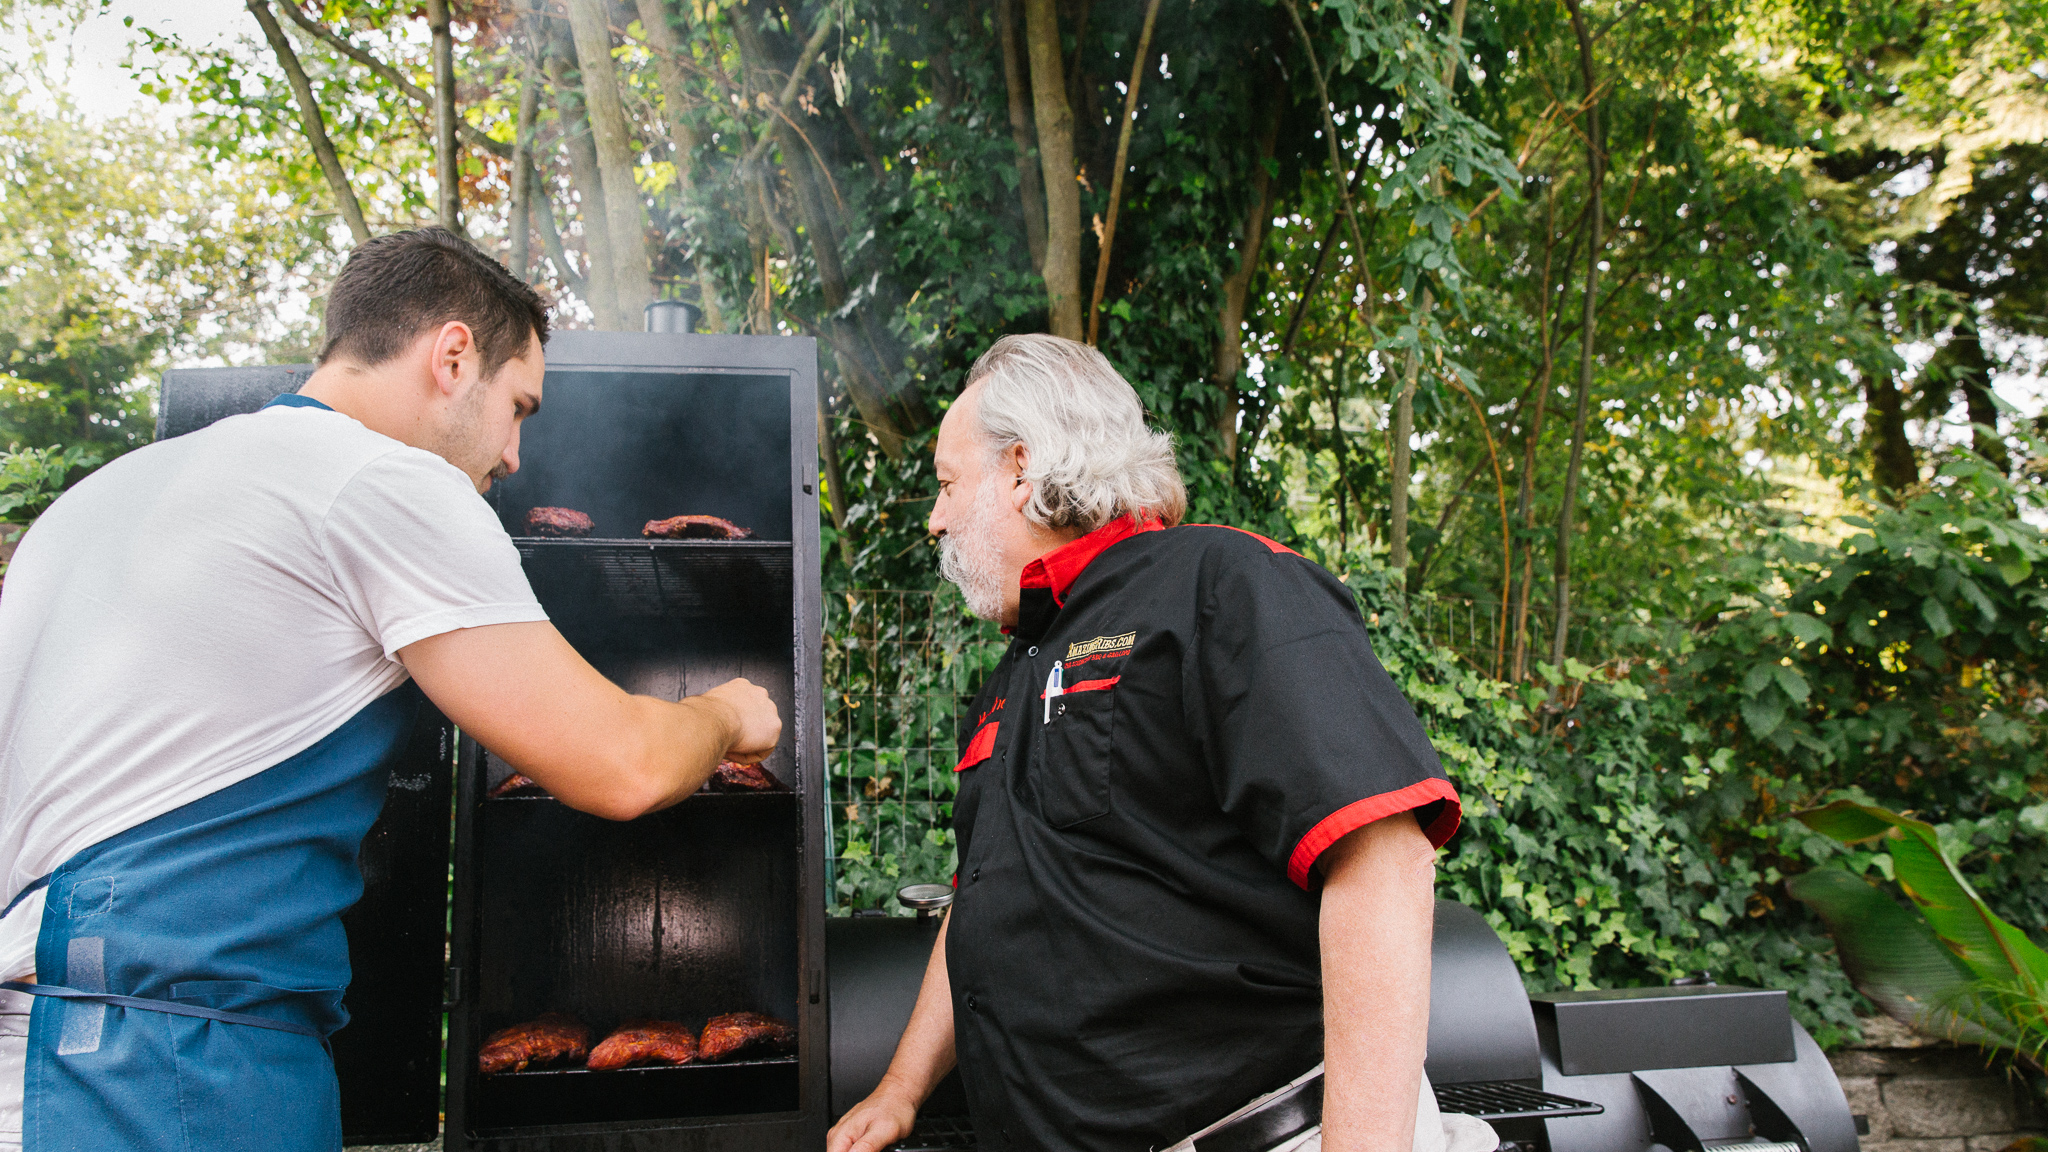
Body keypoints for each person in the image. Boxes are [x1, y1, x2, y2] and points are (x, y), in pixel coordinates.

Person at [0, 228, 781, 1151]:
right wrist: (728, 710)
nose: (516, 455)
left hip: (44, 1056)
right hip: (170, 1066)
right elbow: (625, 766)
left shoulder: (100, 498)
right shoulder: (379, 483)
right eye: (519, 406)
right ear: (452, 357)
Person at [828, 334, 1492, 1152]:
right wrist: (901, 1088)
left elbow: (1384, 861)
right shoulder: (1017, 670)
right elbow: (982, 903)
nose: (933, 519)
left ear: (1022, 471)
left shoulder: (1225, 583)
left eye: (945, 484)